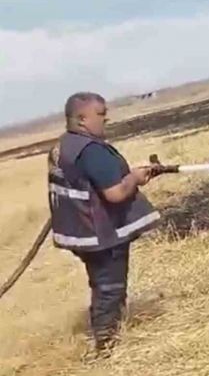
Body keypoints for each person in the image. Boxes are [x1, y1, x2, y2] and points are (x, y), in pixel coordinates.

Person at [47, 92, 161, 355]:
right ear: (82, 119)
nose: (105, 118)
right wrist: (133, 178)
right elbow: (115, 193)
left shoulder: (65, 145)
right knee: (110, 287)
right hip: (99, 233)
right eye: (100, 113)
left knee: (101, 283)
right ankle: (106, 346)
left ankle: (107, 331)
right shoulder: (91, 151)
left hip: (82, 232)